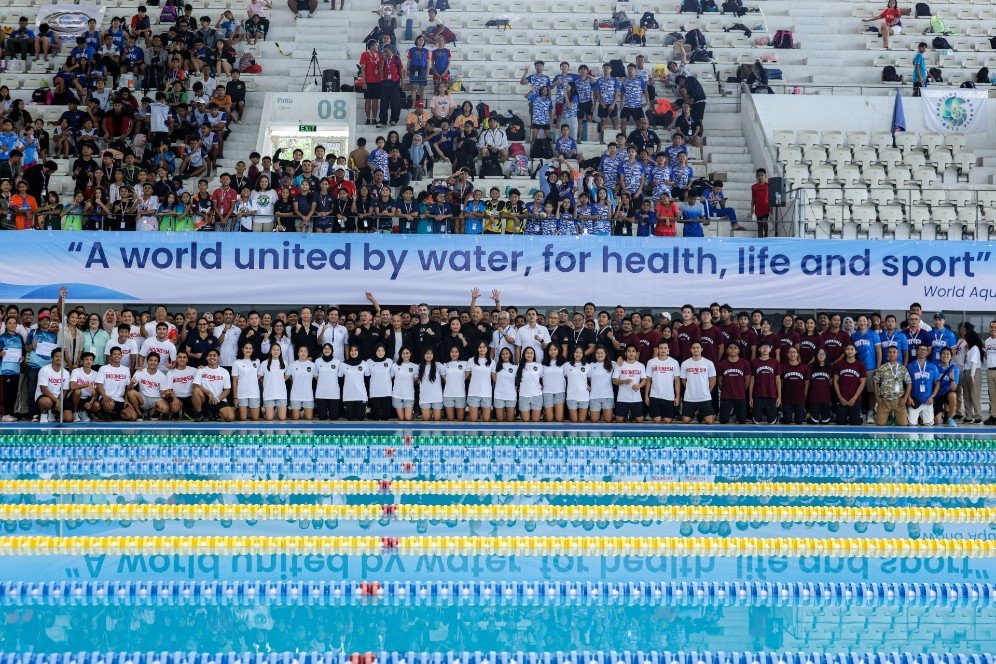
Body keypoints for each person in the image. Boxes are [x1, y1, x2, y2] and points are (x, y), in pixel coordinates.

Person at [191, 349, 235, 422]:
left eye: (214, 355)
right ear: (206, 358)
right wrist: (209, 393)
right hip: (205, 398)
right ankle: (199, 414)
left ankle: (215, 413)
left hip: (218, 399)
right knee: (196, 390)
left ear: (218, 358)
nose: (212, 357)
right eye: (210, 355)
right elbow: (196, 384)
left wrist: (217, 399)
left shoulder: (224, 372)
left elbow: (227, 390)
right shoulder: (201, 370)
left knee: (230, 417)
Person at [873, 345, 911, 426]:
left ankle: (895, 417)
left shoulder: (902, 368)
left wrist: (905, 398)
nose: (892, 354)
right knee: (880, 423)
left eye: (894, 352)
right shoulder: (882, 367)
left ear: (898, 354)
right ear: (887, 354)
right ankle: (889, 417)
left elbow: (909, 383)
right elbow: (875, 382)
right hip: (884, 401)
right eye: (890, 352)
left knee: (903, 424)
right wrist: (877, 397)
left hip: (899, 400)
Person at [680, 342, 716, 424]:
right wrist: (690, 389)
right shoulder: (685, 363)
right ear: (691, 350)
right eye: (693, 348)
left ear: (701, 349)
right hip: (690, 397)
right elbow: (683, 380)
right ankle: (695, 413)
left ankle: (701, 413)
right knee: (685, 420)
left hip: (704, 397)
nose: (696, 349)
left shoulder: (708, 363)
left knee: (709, 421)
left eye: (697, 347)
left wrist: (707, 391)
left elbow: (713, 380)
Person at [35, 347, 71, 424]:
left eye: (61, 357)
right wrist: (57, 401)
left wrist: (60, 401)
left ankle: (53, 412)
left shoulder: (65, 373)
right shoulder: (44, 370)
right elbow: (43, 389)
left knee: (68, 418)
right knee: (46, 402)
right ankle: (44, 414)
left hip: (58, 397)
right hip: (44, 396)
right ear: (52, 358)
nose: (59, 358)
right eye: (56, 356)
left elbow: (64, 391)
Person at [907, 343, 939, 427]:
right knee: (912, 424)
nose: (922, 351)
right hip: (914, 401)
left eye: (924, 349)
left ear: (927, 352)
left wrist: (932, 397)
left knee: (928, 425)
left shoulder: (933, 367)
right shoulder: (910, 367)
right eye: (920, 349)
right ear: (916, 352)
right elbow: (907, 384)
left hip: (927, 400)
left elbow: (937, 383)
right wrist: (909, 398)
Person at [933, 346, 959, 427]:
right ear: (940, 355)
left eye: (948, 354)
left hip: (947, 393)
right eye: (943, 354)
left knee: (953, 395)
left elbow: (953, 388)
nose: (945, 356)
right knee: (936, 421)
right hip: (937, 394)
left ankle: (950, 418)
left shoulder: (954, 369)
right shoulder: (935, 367)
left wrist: (952, 379)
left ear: (951, 356)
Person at [749, 168, 769, 236]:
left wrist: (771, 207)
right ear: (756, 176)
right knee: (759, 225)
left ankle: (766, 233)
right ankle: (760, 240)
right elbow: (753, 198)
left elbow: (771, 197)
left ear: (765, 176)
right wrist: (752, 208)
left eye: (762, 175)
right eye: (758, 175)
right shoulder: (754, 187)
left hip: (766, 208)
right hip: (758, 209)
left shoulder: (768, 186)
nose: (760, 177)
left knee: (764, 222)